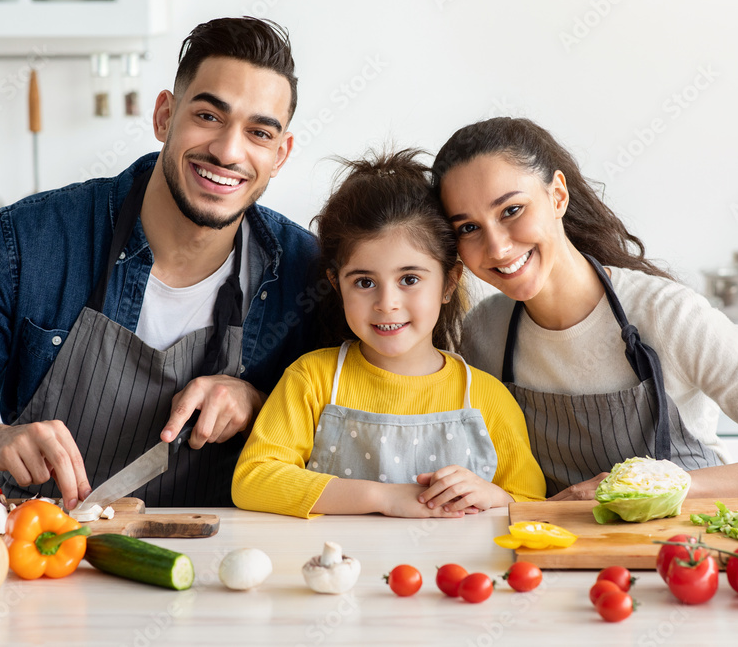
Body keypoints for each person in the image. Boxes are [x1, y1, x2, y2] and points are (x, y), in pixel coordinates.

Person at [0, 17, 320, 508]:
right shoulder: (25, 244)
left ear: (280, 154)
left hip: (221, 565)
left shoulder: (307, 272)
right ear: (164, 116)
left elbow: (353, 423)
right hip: (44, 555)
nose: (227, 151)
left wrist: (261, 405)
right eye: (208, 117)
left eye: (259, 133)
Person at [431, 117, 738, 500]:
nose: (497, 245)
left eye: (511, 209)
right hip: (558, 562)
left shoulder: (669, 316)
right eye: (469, 228)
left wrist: (668, 484)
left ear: (558, 196)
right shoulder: (484, 333)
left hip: (687, 561)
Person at [232, 149, 545, 518]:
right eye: (364, 282)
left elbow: (532, 506)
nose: (387, 303)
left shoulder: (487, 398)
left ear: (449, 282)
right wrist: (385, 498)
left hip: (447, 575)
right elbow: (253, 480)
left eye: (409, 279)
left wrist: (493, 496)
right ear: (336, 284)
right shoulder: (311, 380)